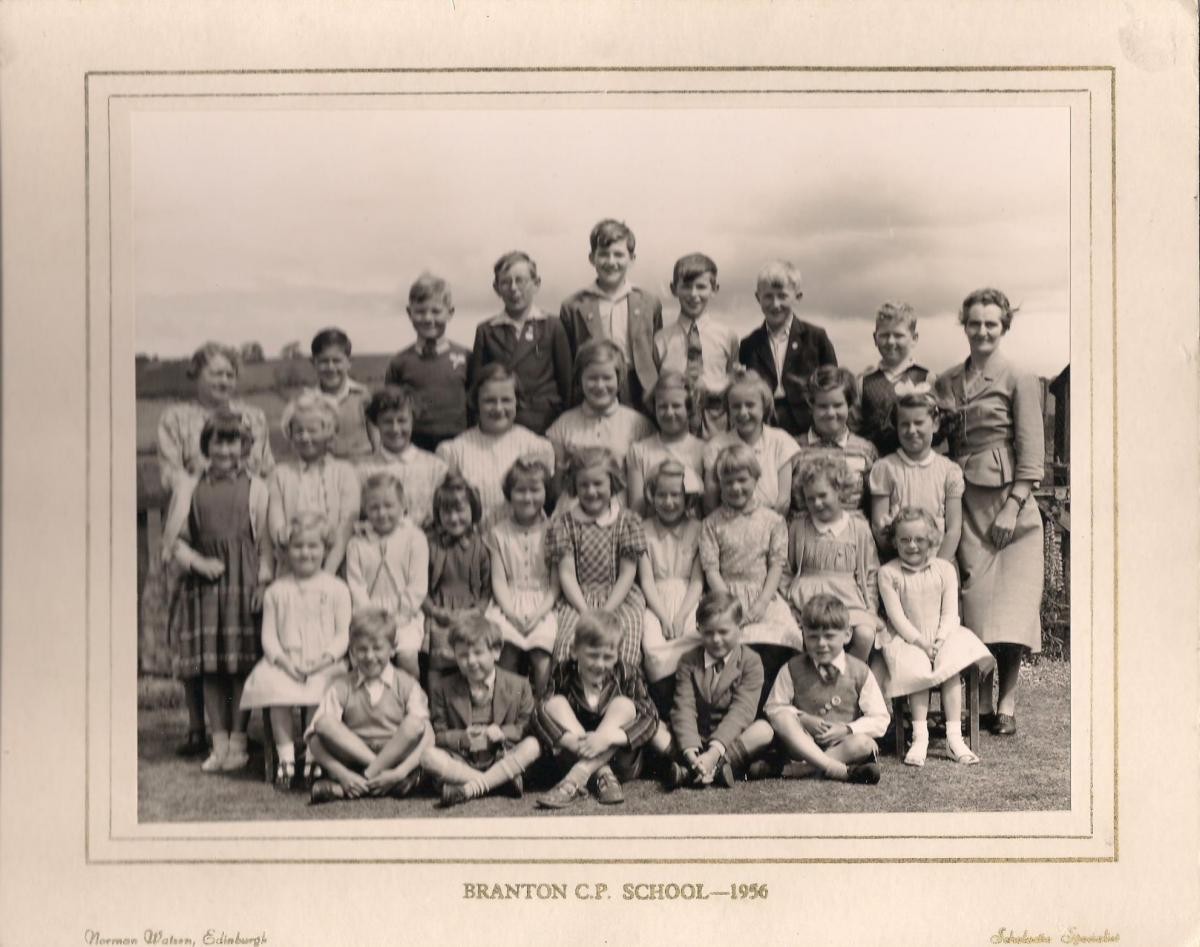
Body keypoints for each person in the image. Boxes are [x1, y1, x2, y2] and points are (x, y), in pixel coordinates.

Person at [151, 342, 273, 757]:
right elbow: (170, 472)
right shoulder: (177, 417)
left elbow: (264, 467)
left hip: (241, 523)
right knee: (199, 638)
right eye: (215, 373)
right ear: (197, 375)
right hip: (194, 520)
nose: (223, 380)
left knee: (236, 643)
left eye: (229, 374)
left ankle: (236, 735)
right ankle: (198, 728)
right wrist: (199, 481)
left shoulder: (252, 417)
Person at [934, 288, 1045, 736]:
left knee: (1014, 611)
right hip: (965, 505)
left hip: (1011, 510)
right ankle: (978, 703)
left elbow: (1032, 452)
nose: (982, 331)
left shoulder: (1019, 376)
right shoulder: (946, 380)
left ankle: (1007, 704)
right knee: (975, 607)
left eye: (991, 324)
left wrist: (1013, 506)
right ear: (964, 324)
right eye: (974, 323)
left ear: (1004, 327)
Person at [876, 508, 995, 766]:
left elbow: (950, 612)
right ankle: (920, 737)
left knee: (949, 665)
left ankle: (955, 738)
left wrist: (940, 641)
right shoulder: (888, 573)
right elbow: (897, 617)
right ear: (895, 541)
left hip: (944, 635)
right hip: (908, 639)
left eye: (919, 539)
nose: (912, 545)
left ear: (931, 539)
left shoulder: (944, 569)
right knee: (918, 668)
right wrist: (921, 642)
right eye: (905, 539)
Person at [241, 512, 351, 788]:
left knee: (321, 692)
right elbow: (269, 638)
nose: (306, 553)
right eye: (298, 546)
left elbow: (342, 635)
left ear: (325, 549)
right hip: (286, 662)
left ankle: (314, 756)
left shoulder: (337, 588)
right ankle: (287, 758)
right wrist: (286, 663)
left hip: (324, 662)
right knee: (277, 691)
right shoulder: (277, 591)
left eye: (313, 546)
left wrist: (321, 661)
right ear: (286, 551)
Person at [699, 443, 803, 707]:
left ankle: (774, 704)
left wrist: (760, 604)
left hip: (764, 594)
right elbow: (711, 568)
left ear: (756, 478)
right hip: (725, 593)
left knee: (789, 636)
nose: (736, 488)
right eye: (728, 482)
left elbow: (777, 565)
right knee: (727, 638)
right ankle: (735, 705)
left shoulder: (772, 520)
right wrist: (728, 603)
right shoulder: (712, 523)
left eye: (742, 480)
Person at [532, 611, 662, 809]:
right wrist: (574, 742)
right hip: (574, 754)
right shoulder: (563, 672)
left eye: (608, 657)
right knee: (554, 703)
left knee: (625, 705)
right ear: (574, 651)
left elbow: (651, 717)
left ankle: (576, 778)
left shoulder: (627, 673)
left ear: (618, 654)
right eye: (592, 655)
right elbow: (538, 713)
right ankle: (601, 772)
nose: (600, 664)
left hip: (620, 760)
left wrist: (606, 739)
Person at [306, 607, 431, 803]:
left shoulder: (406, 684)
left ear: (392, 649)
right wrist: (341, 773)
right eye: (361, 649)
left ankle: (358, 785)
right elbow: (313, 738)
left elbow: (428, 735)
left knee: (416, 724)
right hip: (354, 759)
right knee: (323, 723)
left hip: (395, 755)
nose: (370, 656)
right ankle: (378, 779)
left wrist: (400, 771)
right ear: (352, 651)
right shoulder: (341, 686)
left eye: (377, 648)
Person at [764, 594, 888, 784]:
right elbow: (773, 708)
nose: (821, 644)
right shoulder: (792, 668)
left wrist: (846, 729)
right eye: (813, 637)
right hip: (801, 743)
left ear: (847, 635)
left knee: (865, 744)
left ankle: (802, 769)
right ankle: (831, 768)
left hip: (841, 746)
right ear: (803, 634)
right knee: (782, 718)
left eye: (829, 636)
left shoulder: (859, 671)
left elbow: (880, 718)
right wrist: (802, 718)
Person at [420, 614, 541, 807]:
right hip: (463, 760)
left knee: (533, 745)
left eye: (478, 653)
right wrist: (462, 737)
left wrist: (502, 733)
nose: (471, 661)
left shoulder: (519, 684)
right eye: (463, 655)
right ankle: (496, 783)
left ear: (496, 652)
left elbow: (526, 726)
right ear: (455, 656)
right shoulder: (443, 687)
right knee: (428, 756)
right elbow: (439, 734)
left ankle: (470, 788)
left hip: (503, 757)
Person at [546, 447, 647, 668]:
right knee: (567, 645)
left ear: (613, 482)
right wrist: (586, 612)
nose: (591, 491)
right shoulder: (564, 524)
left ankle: (619, 698)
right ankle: (576, 699)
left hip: (619, 599)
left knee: (624, 645)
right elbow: (566, 574)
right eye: (584, 485)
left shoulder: (627, 521)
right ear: (574, 486)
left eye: (598, 484)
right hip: (578, 600)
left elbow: (627, 574)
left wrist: (605, 612)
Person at [664, 591, 775, 789]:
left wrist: (714, 752)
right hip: (694, 736)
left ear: (739, 627)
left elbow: (742, 711)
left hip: (729, 740)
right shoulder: (689, 661)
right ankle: (698, 767)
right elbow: (684, 707)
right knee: (657, 731)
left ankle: (706, 768)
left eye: (723, 632)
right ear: (698, 629)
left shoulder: (751, 661)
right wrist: (691, 751)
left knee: (764, 731)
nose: (715, 639)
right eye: (708, 632)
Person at [559, 218, 662, 410]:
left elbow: (654, 352)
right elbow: (569, 361)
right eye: (604, 255)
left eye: (619, 254)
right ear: (592, 258)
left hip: (641, 390)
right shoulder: (573, 305)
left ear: (632, 259)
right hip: (596, 387)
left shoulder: (649, 302)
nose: (611, 262)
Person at [786, 456, 881, 662]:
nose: (817, 503)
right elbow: (786, 569)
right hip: (806, 601)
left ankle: (848, 680)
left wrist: (871, 609)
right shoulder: (799, 527)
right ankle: (811, 682)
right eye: (810, 498)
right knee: (795, 634)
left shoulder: (859, 528)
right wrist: (790, 606)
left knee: (865, 634)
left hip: (848, 600)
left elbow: (871, 573)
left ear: (840, 491)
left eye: (822, 495)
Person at [435, 363, 556, 524]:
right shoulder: (454, 451)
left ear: (517, 401)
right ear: (476, 402)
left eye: (506, 400)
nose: (498, 408)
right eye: (489, 401)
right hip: (475, 543)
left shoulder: (537, 447)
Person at [469, 250, 572, 434]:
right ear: (496, 287)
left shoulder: (553, 326)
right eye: (506, 282)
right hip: (501, 422)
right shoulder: (486, 330)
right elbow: (477, 387)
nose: (514, 288)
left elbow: (567, 384)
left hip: (547, 422)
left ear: (536, 284)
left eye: (520, 280)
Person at [546, 339, 655, 507]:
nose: (599, 385)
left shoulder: (639, 425)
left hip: (620, 514)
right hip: (574, 514)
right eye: (592, 378)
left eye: (607, 378)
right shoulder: (562, 426)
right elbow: (555, 488)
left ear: (619, 379)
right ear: (579, 380)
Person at [485, 457, 559, 699]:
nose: (528, 498)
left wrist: (538, 613)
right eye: (520, 491)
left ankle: (541, 709)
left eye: (535, 490)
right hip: (509, 601)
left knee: (541, 656)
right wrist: (511, 613)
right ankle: (509, 708)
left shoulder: (554, 530)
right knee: (506, 651)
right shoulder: (498, 533)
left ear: (546, 493)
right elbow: (499, 580)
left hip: (544, 602)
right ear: (509, 493)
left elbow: (556, 583)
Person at [738, 260, 837, 437]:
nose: (775, 304)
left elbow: (833, 383)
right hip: (763, 428)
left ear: (797, 297)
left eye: (782, 296)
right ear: (757, 297)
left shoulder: (815, 337)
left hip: (807, 427)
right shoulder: (749, 344)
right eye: (768, 296)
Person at [266, 390, 361, 575]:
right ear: (290, 435)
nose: (305, 437)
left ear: (328, 433)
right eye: (299, 431)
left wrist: (328, 572)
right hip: (291, 568)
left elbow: (346, 528)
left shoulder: (345, 472)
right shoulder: (280, 474)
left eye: (312, 430)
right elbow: (276, 526)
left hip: (336, 568)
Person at [345, 472, 428, 679]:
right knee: (363, 657)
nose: (382, 513)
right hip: (368, 615)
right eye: (374, 507)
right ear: (365, 509)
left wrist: (400, 616)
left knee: (407, 656)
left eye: (389, 506)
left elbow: (417, 586)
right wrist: (371, 619)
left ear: (402, 505)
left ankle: (412, 700)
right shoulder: (357, 543)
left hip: (405, 616)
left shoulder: (414, 538)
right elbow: (356, 586)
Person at [638, 460, 704, 715]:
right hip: (655, 600)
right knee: (654, 648)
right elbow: (646, 580)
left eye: (675, 495)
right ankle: (665, 709)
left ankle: (692, 708)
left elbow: (698, 581)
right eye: (661, 495)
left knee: (696, 637)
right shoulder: (643, 530)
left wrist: (680, 616)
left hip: (689, 600)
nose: (668, 502)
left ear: (686, 498)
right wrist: (665, 617)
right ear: (651, 496)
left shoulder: (698, 529)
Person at [868, 385, 965, 559]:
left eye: (919, 423)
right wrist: (900, 563)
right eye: (904, 424)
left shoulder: (949, 471)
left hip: (939, 562)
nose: (911, 430)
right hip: (898, 563)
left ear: (935, 424)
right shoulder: (885, 468)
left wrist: (938, 568)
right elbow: (878, 525)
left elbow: (954, 529)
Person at [652, 253, 739, 437]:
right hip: (675, 425)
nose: (693, 294)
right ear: (673, 289)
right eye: (686, 286)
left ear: (714, 289)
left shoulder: (727, 336)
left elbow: (733, 380)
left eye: (701, 287)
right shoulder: (660, 339)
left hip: (717, 426)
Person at [422, 473, 491, 699]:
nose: (453, 518)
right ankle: (436, 707)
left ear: (473, 511)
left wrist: (476, 611)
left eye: (460, 510)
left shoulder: (480, 547)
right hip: (439, 610)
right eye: (446, 512)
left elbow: (487, 589)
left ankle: (468, 704)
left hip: (470, 611)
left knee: (471, 651)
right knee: (438, 658)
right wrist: (435, 610)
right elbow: (420, 587)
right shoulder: (431, 545)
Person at [385, 273, 470, 453]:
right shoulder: (400, 362)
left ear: (450, 313)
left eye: (436, 311)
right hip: (415, 445)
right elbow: (391, 408)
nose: (428, 318)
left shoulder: (467, 357)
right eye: (421, 311)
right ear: (410, 313)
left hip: (460, 443)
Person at [702, 366, 799, 516]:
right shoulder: (717, 446)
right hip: (728, 523)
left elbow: (783, 500)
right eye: (736, 406)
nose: (743, 412)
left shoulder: (781, 441)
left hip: (772, 522)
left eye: (750, 405)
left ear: (764, 407)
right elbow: (710, 500)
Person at [356, 385, 448, 530]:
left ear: (413, 421)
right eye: (387, 421)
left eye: (402, 420)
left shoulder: (436, 467)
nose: (395, 429)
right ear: (376, 424)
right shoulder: (362, 470)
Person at [793, 366, 878, 516]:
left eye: (838, 405)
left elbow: (872, 505)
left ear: (849, 405)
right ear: (811, 405)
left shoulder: (865, 450)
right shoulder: (793, 448)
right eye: (822, 406)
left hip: (853, 535)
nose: (831, 413)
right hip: (805, 534)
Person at [858, 301, 935, 456]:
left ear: (914, 338)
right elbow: (855, 428)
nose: (891, 341)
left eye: (899, 335)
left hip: (915, 466)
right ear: (875, 338)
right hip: (875, 465)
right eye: (884, 335)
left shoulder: (927, 378)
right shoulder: (863, 382)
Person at [626, 369, 706, 517]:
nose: (669, 413)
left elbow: (706, 506)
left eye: (676, 406)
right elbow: (636, 509)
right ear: (653, 408)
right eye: (662, 406)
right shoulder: (639, 450)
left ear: (689, 409)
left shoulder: (703, 450)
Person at [309, 327, 376, 462]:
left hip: (362, 464)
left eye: (337, 361)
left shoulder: (362, 395)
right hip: (326, 468)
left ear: (349, 362)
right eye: (323, 361)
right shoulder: (309, 401)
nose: (331, 367)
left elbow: (375, 434)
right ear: (313, 363)